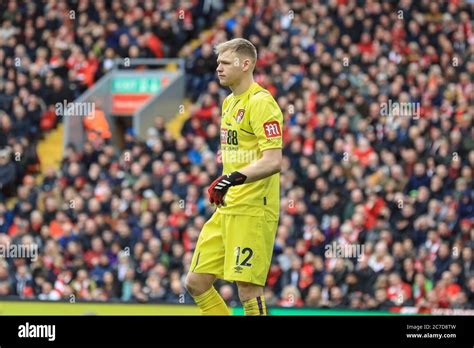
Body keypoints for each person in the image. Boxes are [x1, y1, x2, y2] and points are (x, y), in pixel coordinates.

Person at [185, 38, 283, 316]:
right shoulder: (229, 102)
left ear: (246, 64)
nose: (219, 68)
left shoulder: (262, 103)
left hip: (253, 209)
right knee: (196, 282)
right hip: (227, 207)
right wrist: (227, 180)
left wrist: (232, 178)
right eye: (218, 63)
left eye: (225, 63)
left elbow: (274, 161)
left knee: (248, 290)